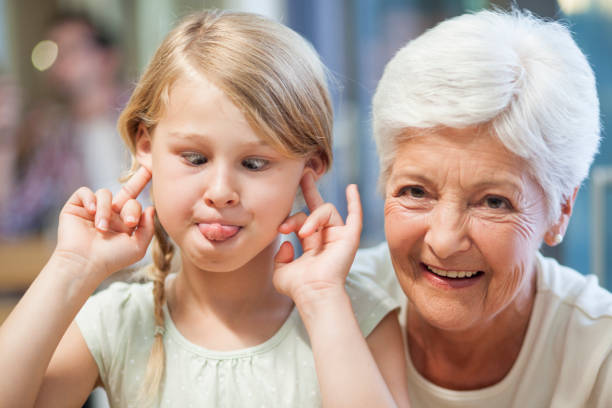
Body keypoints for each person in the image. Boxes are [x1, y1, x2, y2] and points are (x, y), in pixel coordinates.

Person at [0, 10, 410, 408]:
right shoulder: (117, 322)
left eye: (254, 163)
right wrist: (71, 267)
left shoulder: (356, 316)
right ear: (146, 147)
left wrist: (323, 301)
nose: (220, 192)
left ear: (310, 168)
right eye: (195, 158)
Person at [351, 8, 612, 407]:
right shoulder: (331, 309)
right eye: (416, 192)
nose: (444, 240)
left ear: (561, 210)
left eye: (494, 201)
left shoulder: (600, 354)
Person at [0, 12, 126, 238]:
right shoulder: (55, 142)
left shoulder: (149, 114)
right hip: (98, 261)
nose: (61, 62)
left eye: (73, 48)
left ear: (108, 58)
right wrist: (5, 138)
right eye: (54, 52)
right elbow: (12, 222)